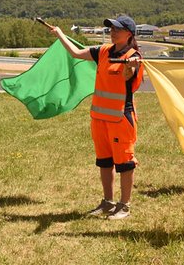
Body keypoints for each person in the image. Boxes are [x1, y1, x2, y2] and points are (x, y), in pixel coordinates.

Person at [49, 15, 143, 219]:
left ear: (129, 34)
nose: (112, 31)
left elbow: (129, 77)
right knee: (104, 161)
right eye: (111, 28)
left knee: (125, 163)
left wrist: (131, 65)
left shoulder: (134, 56)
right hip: (99, 118)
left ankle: (124, 205)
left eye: (117, 29)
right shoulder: (103, 51)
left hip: (120, 119)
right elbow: (75, 53)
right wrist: (60, 34)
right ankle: (108, 202)